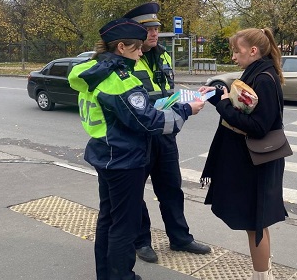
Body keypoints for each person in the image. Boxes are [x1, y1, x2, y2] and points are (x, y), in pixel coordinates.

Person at [68, 17, 205, 280]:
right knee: (125, 227)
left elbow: (132, 112)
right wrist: (187, 109)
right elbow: (150, 122)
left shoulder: (93, 70)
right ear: (121, 47)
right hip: (124, 159)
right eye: (137, 48)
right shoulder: (119, 80)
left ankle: (106, 275)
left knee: (108, 220)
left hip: (105, 153)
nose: (141, 52)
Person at [123, 2, 212, 263]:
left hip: (165, 135)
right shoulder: (126, 60)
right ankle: (141, 241)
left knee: (172, 189)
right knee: (135, 193)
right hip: (139, 138)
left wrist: (190, 97)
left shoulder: (163, 55)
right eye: (147, 28)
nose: (153, 33)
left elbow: (166, 92)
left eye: (156, 28)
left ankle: (180, 238)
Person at [198, 28, 287, 280]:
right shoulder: (258, 72)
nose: (234, 57)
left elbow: (258, 127)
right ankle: (264, 273)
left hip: (256, 162)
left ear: (253, 51)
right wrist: (219, 98)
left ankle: (262, 277)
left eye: (237, 51)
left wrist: (223, 104)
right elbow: (244, 108)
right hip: (255, 161)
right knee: (258, 223)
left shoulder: (264, 78)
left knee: (255, 226)